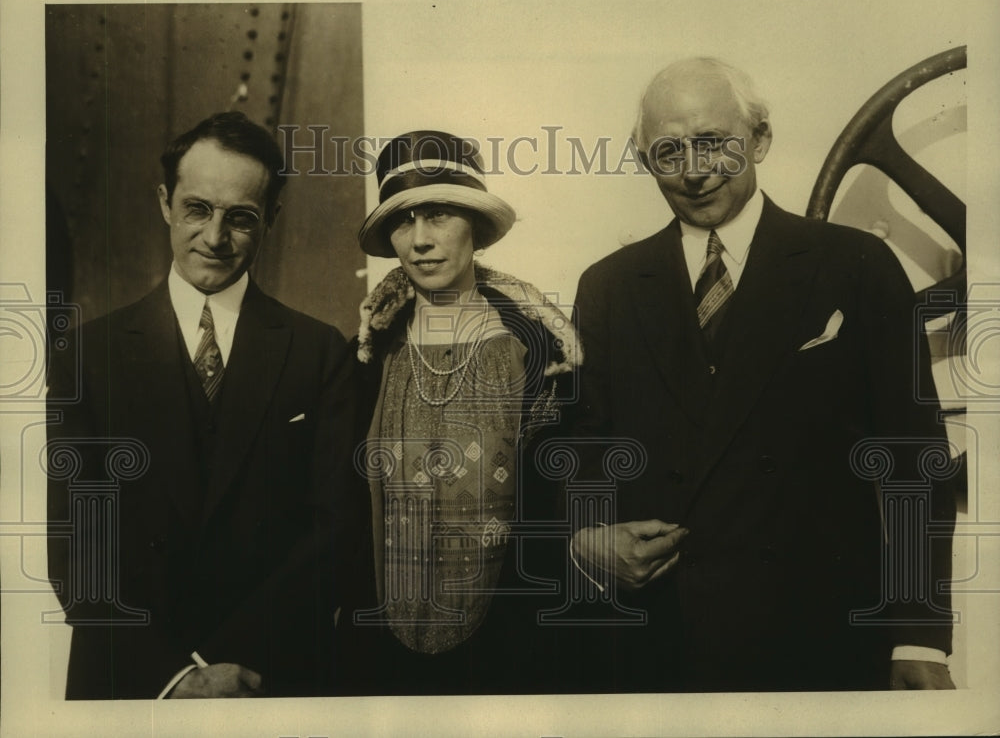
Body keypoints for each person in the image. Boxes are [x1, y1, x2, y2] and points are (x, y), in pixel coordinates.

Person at [563, 58, 956, 691]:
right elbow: (581, 442)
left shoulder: (856, 265)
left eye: (714, 142)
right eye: (669, 151)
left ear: (760, 139)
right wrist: (585, 538)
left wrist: (919, 637)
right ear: (643, 161)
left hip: (819, 642)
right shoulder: (608, 286)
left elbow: (914, 457)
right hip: (661, 644)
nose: (694, 170)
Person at [46, 111, 354, 698]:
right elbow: (76, 549)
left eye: (240, 218)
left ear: (271, 219)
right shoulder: (84, 357)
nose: (215, 238)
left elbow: (332, 534)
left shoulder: (320, 352)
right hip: (132, 683)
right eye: (197, 209)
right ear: (165, 203)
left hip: (268, 679)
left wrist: (223, 668)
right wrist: (176, 676)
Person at [335, 130, 580, 694]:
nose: (421, 240)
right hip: (380, 643)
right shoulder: (368, 355)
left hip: (510, 641)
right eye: (404, 222)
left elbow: (556, 502)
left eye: (439, 215)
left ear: (475, 224)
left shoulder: (542, 353)